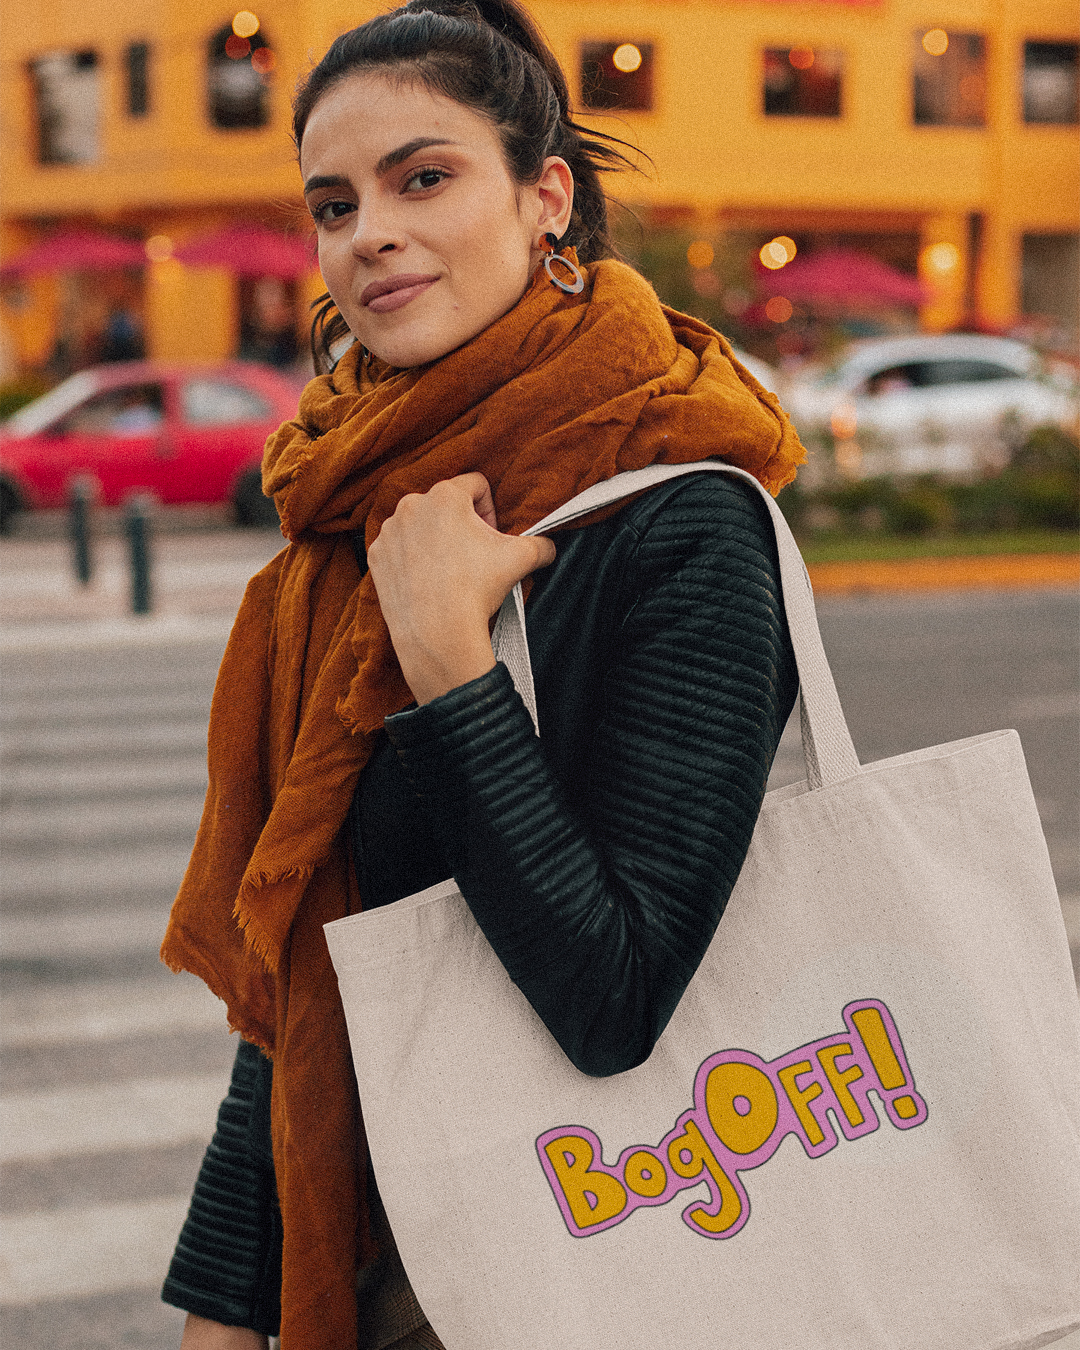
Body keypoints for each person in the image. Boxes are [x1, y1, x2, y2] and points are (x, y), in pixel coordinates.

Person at [159, 2, 805, 1347]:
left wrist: (453, 669)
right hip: (393, 1273)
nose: (368, 233)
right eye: (333, 205)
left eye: (424, 176)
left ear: (545, 196)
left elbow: (615, 993)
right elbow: (313, 971)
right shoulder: (351, 532)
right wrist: (224, 1309)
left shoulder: (679, 520)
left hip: (619, 1259)